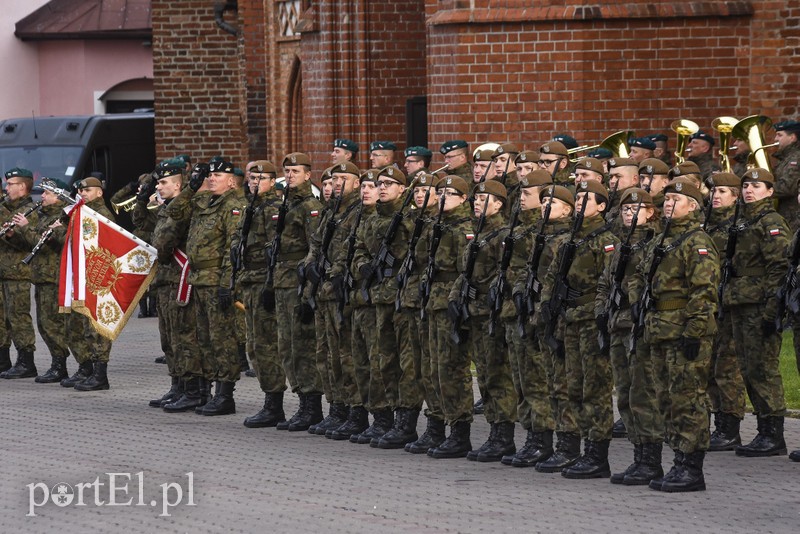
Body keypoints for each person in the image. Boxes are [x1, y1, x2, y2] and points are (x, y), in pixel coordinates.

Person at [629, 177, 719, 492]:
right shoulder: (661, 240)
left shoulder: (696, 241)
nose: (668, 204)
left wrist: (694, 331)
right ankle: (677, 461)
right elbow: (639, 277)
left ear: (692, 206)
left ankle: (691, 467)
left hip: (683, 330)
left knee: (688, 399)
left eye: (676, 201)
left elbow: (704, 291)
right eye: (666, 200)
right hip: (658, 329)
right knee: (666, 398)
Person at [540, 180, 619, 479]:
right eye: (580, 197)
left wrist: (598, 316)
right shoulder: (570, 239)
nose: (582, 202)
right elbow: (552, 278)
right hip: (568, 319)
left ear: (601, 206)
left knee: (595, 387)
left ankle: (598, 454)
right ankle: (579, 448)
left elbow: (608, 284)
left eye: (589, 198)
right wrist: (548, 308)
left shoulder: (606, 240)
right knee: (573, 386)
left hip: (590, 320)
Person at [597, 188, 662, 485]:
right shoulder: (620, 244)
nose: (629, 213)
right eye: (625, 209)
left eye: (637, 208)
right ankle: (638, 455)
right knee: (624, 393)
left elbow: (650, 285)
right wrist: (603, 310)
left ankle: (651, 459)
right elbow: (605, 283)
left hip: (638, 325)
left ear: (650, 212)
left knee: (642, 394)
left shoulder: (654, 244)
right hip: (617, 323)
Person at [450, 180, 517, 462]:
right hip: (474, 313)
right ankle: (494, 432)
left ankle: (503, 436)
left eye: (484, 199)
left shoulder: (502, 236)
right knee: (487, 376)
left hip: (491, 314)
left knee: (498, 376)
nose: (477, 203)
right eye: (476, 199)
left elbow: (505, 277)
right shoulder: (479, 234)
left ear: (499, 204)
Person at [726, 168, 790, 458]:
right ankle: (765, 431)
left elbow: (779, 267)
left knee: (763, 369)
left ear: (770, 191)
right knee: (748, 367)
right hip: (740, 302)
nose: (749, 190)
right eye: (746, 186)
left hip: (759, 304)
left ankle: (772, 433)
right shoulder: (742, 220)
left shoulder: (771, 222)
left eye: (756, 186)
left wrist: (771, 309)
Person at [351, 166, 414, 446]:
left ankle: (406, 422)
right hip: (376, 295)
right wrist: (363, 266)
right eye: (380, 183)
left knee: (406, 362)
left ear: (402, 188)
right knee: (382, 360)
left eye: (389, 183)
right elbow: (359, 249)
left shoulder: (410, 218)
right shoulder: (371, 218)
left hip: (401, 296)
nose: (383, 187)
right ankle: (386, 417)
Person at [181, 158, 247, 414]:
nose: (211, 179)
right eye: (209, 175)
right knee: (206, 339)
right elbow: (176, 211)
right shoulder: (205, 202)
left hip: (216, 279)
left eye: (217, 175)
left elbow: (234, 248)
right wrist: (190, 187)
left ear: (231, 181)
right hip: (199, 280)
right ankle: (209, 391)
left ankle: (225, 394)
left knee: (223, 340)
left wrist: (227, 283)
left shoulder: (234, 206)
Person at [268, 153, 325, 430]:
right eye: (287, 171)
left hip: (298, 282)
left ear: (307, 175)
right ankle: (302, 401)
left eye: (296, 171)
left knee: (302, 346)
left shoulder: (310, 206)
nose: (290, 175)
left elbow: (314, 249)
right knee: (287, 345)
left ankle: (312, 406)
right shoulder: (285, 202)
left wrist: (307, 295)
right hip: (282, 280)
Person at [305, 161, 362, 436]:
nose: (337, 183)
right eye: (334, 179)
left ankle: (355, 411)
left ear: (357, 183)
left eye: (343, 178)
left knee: (346, 356)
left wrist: (333, 273)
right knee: (326, 354)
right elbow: (316, 244)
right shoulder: (331, 212)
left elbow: (352, 249)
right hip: (322, 293)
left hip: (341, 295)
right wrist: (309, 265)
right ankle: (336, 407)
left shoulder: (357, 212)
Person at [234, 160, 288, 426]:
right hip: (249, 281)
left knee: (266, 345)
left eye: (261, 178)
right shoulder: (250, 207)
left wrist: (270, 284)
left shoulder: (272, 209)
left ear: (272, 181)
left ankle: (274, 403)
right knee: (254, 345)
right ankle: (269, 398)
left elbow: (274, 250)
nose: (255, 182)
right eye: (252, 178)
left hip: (263, 281)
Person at [61, 176, 116, 390]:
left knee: (96, 327)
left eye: (88, 191)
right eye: (81, 191)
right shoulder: (80, 212)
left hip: (96, 279)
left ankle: (100, 374)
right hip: (82, 278)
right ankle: (88, 369)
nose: (83, 194)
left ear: (99, 192)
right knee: (80, 326)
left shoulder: (101, 214)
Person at [703, 172, 746, 451]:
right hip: (709, 306)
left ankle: (730, 427)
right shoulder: (706, 225)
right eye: (714, 191)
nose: (716, 196)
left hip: (730, 306)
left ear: (735, 196)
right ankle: (718, 423)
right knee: (708, 368)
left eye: (723, 192)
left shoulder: (740, 227)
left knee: (727, 368)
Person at [13, 179, 69, 383]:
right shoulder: (45, 215)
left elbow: (44, 243)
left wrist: (25, 227)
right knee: (45, 324)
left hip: (53, 277)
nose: (42, 197)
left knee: (53, 324)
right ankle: (57, 363)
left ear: (59, 196)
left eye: (46, 193)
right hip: (41, 276)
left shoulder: (62, 216)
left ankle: (60, 365)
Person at [141, 159, 187, 408]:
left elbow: (163, 242)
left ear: (178, 185)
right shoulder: (167, 207)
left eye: (163, 182)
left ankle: (190, 389)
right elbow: (144, 225)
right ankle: (176, 385)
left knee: (182, 339)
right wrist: (142, 200)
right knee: (168, 338)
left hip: (178, 280)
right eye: (158, 182)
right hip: (165, 280)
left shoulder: (180, 209)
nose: (158, 187)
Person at [0, 168, 39, 379]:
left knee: (18, 317)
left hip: (18, 271)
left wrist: (10, 234)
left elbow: (29, 242)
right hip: (2, 270)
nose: (7, 188)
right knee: (3, 318)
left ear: (22, 186)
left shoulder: (31, 210)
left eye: (10, 184)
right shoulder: (4, 207)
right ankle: (3, 359)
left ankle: (26, 361)